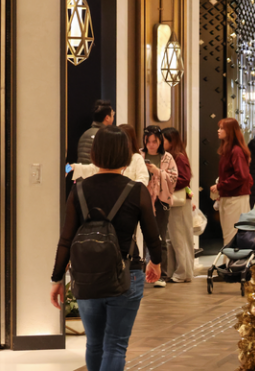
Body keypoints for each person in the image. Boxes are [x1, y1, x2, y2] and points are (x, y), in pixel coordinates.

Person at [50, 126, 162, 371]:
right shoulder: (136, 191)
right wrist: (156, 262)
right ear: (126, 154)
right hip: (127, 274)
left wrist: (57, 278)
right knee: (115, 345)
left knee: (95, 344)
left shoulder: (79, 189)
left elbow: (66, 239)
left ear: (94, 153)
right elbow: (153, 235)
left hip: (87, 276)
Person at [141, 125, 179, 287]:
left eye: (154, 141)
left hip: (161, 201)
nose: (151, 145)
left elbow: (174, 179)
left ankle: (161, 274)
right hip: (142, 201)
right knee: (143, 237)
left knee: (161, 238)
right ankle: (144, 271)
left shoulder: (167, 158)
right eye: (148, 141)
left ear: (160, 142)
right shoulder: (139, 156)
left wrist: (158, 172)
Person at [210, 118, 253, 255]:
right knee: (229, 234)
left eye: (222, 128)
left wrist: (220, 186)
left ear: (230, 131)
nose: (219, 130)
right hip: (230, 197)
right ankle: (230, 266)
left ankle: (232, 267)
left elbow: (242, 176)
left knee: (233, 234)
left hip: (236, 198)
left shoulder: (236, 151)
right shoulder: (228, 150)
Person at [162, 127, 194, 284]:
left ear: (171, 141)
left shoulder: (179, 158)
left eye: (164, 140)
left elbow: (184, 179)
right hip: (172, 202)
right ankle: (175, 271)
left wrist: (165, 181)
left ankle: (184, 272)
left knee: (180, 238)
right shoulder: (170, 157)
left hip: (180, 203)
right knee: (173, 239)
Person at [71, 124, 150, 186]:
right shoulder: (110, 158)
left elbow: (143, 179)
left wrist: (127, 188)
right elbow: (87, 168)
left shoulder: (137, 158)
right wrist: (66, 168)